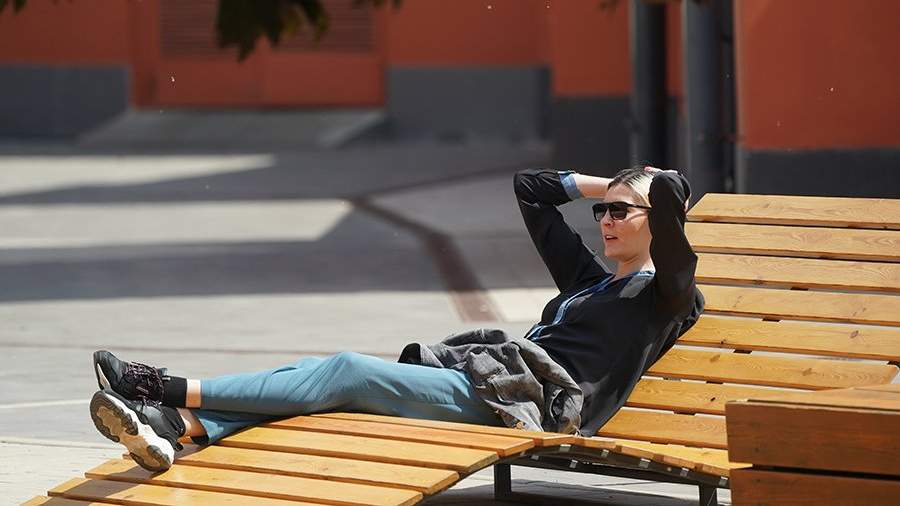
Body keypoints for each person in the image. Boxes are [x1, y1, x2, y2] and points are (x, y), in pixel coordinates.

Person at [88, 166, 704, 472]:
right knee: (328, 387)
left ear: (657, 222)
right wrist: (611, 185)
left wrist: (652, 193)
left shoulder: (666, 299)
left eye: (621, 212)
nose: (606, 221)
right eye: (602, 212)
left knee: (347, 372)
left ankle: (159, 387)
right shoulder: (589, 282)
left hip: (530, 406)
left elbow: (674, 220)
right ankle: (178, 428)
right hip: (491, 382)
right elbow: (530, 190)